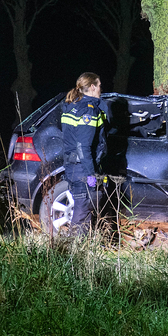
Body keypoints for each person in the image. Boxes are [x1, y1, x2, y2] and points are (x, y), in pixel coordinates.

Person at [60, 72, 107, 236]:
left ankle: (78, 249)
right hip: (82, 167)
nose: (101, 89)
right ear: (93, 87)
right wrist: (90, 173)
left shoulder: (72, 106)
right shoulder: (88, 111)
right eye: (99, 85)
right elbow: (83, 145)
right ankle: (75, 253)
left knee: (83, 207)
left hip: (71, 166)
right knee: (83, 209)